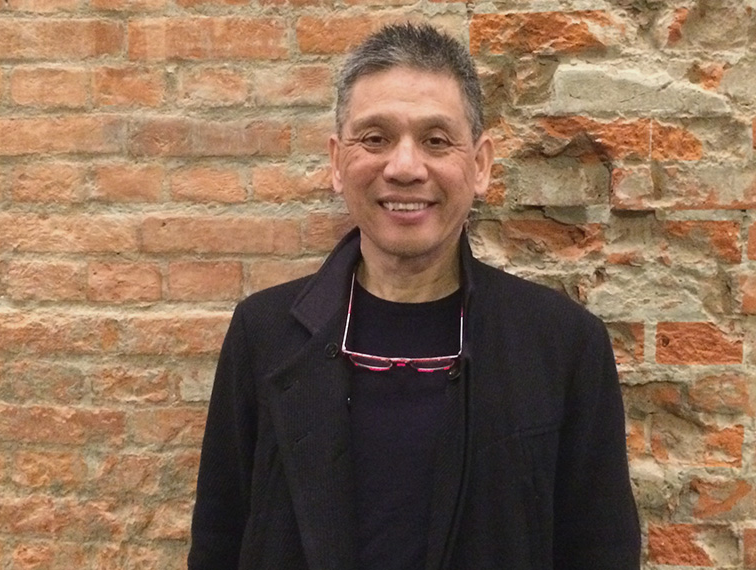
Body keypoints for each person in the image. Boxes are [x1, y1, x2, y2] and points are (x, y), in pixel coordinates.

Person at [188, 22, 640, 570]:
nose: (404, 168)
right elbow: (219, 541)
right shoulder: (264, 334)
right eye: (375, 139)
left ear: (480, 165)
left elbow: (600, 551)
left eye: (436, 140)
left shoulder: (563, 344)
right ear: (336, 162)